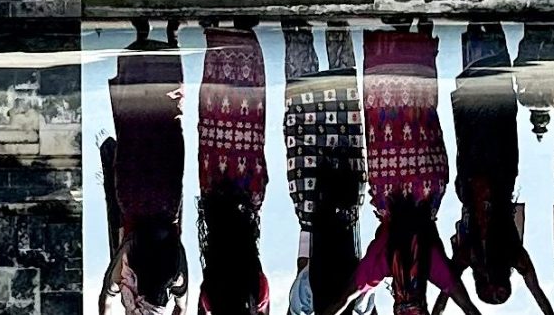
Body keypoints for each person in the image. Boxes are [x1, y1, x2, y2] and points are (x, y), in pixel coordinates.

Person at [356, 28, 477, 315]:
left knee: (422, 110)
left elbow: (467, 306)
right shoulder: (384, 263)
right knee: (384, 105)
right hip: (389, 173)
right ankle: (387, 39)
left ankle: (421, 34)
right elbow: (346, 297)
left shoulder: (430, 266)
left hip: (427, 179)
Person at [448, 25, 553, 315]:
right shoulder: (492, 253)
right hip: (486, 165)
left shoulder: (493, 254)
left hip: (492, 163)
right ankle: (480, 28)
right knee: (480, 93)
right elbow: (449, 288)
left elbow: (449, 289)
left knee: (493, 96)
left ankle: (484, 27)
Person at [98, 20, 188, 315]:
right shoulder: (129, 273)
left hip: (165, 200)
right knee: (133, 124)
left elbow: (183, 302)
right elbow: (106, 295)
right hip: (133, 196)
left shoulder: (175, 275)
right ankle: (139, 46)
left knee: (167, 124)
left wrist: (178, 309)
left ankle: (170, 42)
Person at [284, 23, 367, 315]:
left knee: (327, 106)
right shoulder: (353, 306)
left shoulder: (349, 304)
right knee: (313, 108)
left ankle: (322, 28)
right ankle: (320, 29)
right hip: (329, 204)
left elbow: (302, 280)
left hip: (328, 204)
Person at [197, 24, 269, 315]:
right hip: (215, 195)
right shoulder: (212, 299)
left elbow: (264, 287)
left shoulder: (255, 296)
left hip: (245, 195)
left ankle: (245, 43)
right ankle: (219, 40)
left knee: (247, 115)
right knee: (215, 112)